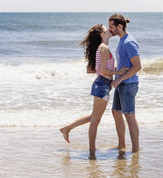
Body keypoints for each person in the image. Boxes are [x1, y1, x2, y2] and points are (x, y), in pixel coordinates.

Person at [60, 24, 127, 154]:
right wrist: (119, 71)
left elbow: (94, 69)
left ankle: (67, 128)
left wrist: (111, 72)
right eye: (106, 28)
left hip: (102, 84)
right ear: (102, 34)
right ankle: (92, 150)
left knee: (93, 117)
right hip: (102, 85)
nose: (109, 29)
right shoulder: (104, 48)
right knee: (95, 120)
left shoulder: (101, 48)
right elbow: (102, 70)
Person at [108, 14, 142, 153]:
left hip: (128, 84)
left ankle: (135, 150)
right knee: (116, 112)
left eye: (111, 27)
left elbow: (137, 66)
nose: (110, 30)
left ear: (119, 26)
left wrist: (119, 79)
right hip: (122, 83)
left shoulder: (129, 42)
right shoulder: (121, 40)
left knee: (129, 116)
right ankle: (121, 144)